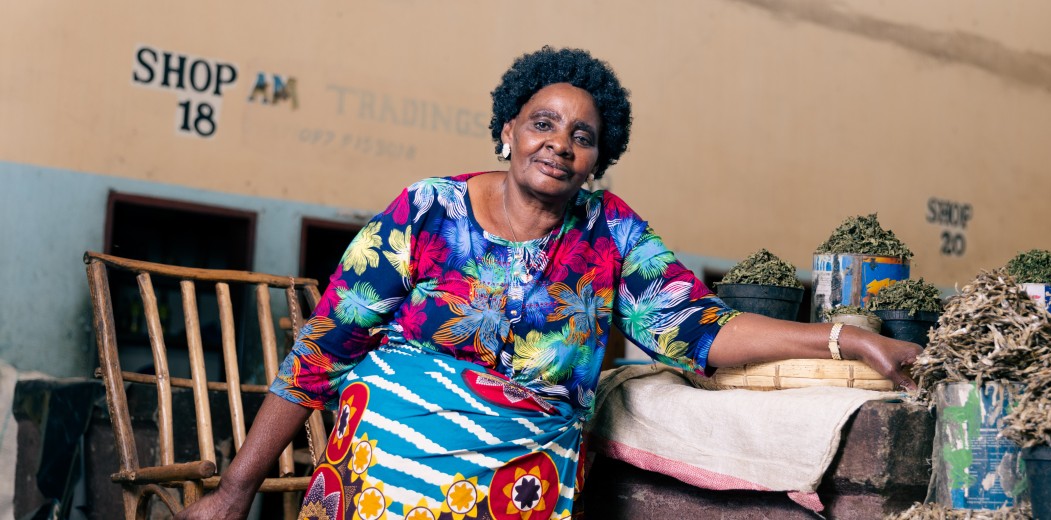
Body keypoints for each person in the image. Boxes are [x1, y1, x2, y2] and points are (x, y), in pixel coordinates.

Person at [178, 46, 920, 520]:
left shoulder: (612, 235)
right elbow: (322, 349)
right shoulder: (426, 211)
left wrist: (844, 340)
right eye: (543, 123)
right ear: (507, 130)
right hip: (389, 468)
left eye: (582, 136)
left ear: (598, 161)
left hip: (515, 485)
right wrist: (238, 486)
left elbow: (702, 328)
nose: (559, 144)